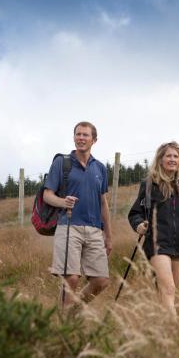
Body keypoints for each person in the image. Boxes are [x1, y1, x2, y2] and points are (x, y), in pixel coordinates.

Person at [128, 141, 179, 317]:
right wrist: (139, 225)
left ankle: (159, 327)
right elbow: (135, 213)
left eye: (176, 156)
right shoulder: (149, 185)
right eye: (168, 156)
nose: (172, 159)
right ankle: (175, 330)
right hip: (157, 243)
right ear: (160, 159)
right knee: (169, 288)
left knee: (166, 291)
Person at [43, 121, 112, 309]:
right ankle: (66, 325)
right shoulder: (62, 163)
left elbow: (103, 203)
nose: (80, 138)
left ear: (94, 140)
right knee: (71, 278)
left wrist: (108, 235)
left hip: (95, 230)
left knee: (101, 281)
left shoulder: (100, 168)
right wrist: (63, 202)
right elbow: (47, 195)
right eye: (78, 134)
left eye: (85, 135)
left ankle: (74, 310)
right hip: (67, 226)